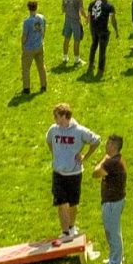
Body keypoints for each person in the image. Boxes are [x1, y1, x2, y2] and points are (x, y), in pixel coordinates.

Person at [46, 103, 101, 242]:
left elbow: (96, 140)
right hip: (58, 173)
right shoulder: (53, 130)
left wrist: (85, 157)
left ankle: (71, 227)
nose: (54, 119)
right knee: (61, 202)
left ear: (65, 116)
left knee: (72, 203)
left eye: (56, 116)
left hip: (74, 173)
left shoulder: (79, 131)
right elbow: (49, 141)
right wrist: (55, 155)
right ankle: (65, 233)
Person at [92, 134, 127, 264]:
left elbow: (95, 173)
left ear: (114, 147)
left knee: (112, 233)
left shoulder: (111, 162)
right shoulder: (118, 159)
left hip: (112, 203)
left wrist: (103, 160)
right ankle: (116, 258)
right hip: (116, 201)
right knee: (114, 232)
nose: (106, 146)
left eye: (108, 144)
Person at [88, 0, 118, 78]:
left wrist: (90, 27)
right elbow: (113, 19)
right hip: (103, 29)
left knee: (93, 45)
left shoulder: (92, 2)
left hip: (93, 28)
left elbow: (89, 16)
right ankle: (100, 68)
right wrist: (116, 30)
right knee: (102, 49)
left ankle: (91, 63)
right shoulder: (109, 5)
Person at [21, 0, 47, 94]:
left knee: (26, 68)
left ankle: (26, 88)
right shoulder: (41, 18)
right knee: (41, 66)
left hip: (29, 48)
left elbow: (24, 36)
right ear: (37, 7)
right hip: (39, 46)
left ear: (28, 8)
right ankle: (43, 85)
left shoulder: (27, 22)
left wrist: (23, 45)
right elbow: (43, 31)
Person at [62, 0, 88, 66]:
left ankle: (65, 57)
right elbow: (81, 10)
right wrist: (86, 17)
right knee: (77, 40)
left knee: (66, 39)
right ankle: (77, 60)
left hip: (67, 21)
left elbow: (63, 10)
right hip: (76, 21)